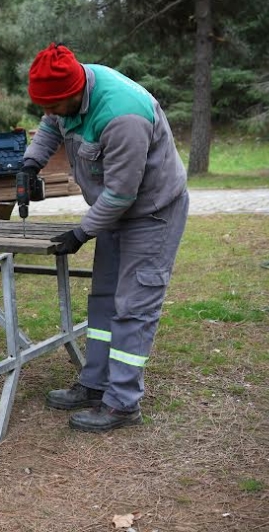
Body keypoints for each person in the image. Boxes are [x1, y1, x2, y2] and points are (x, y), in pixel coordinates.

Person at [21, 43, 189, 432]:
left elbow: (121, 194)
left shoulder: (122, 114)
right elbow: (51, 126)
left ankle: (123, 404)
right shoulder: (64, 97)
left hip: (152, 212)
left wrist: (81, 232)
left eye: (53, 105)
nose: (48, 113)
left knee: (133, 305)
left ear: (74, 92)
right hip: (112, 212)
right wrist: (31, 163)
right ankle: (95, 383)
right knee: (103, 299)